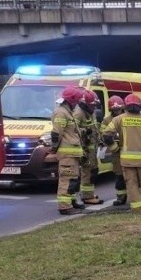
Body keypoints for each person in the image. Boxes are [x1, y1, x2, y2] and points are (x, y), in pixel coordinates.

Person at [103, 94, 141, 213]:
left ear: (126, 106)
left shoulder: (118, 119)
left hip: (126, 160)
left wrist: (115, 149)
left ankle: (137, 209)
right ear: (140, 106)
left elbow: (106, 135)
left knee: (132, 185)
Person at [50, 86, 85, 215]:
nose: (77, 104)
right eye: (76, 101)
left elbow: (70, 132)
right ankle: (65, 206)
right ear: (71, 100)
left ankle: (71, 202)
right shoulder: (61, 112)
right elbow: (56, 133)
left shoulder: (66, 112)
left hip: (72, 153)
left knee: (73, 179)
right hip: (67, 154)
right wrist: (54, 148)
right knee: (67, 179)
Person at [73, 89, 103, 205]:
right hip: (85, 149)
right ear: (84, 104)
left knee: (92, 172)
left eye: (94, 105)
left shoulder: (91, 112)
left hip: (92, 148)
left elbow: (95, 127)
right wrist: (86, 131)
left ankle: (88, 194)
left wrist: (99, 140)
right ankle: (87, 196)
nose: (93, 107)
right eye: (91, 105)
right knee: (88, 172)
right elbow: (73, 130)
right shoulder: (79, 113)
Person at [101, 95, 128, 206]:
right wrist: (114, 148)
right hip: (117, 153)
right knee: (119, 175)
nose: (117, 111)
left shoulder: (128, 117)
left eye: (119, 109)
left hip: (129, 149)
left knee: (134, 175)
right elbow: (103, 136)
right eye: (114, 110)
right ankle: (121, 197)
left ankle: (137, 196)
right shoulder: (106, 120)